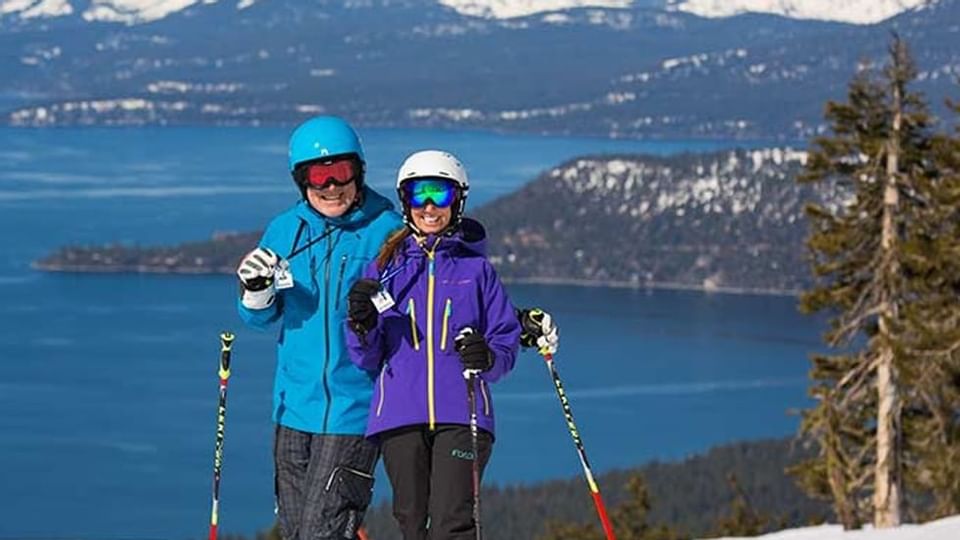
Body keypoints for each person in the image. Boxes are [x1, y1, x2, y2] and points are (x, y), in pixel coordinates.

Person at [344, 150, 531, 540]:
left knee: (452, 522)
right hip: (399, 414)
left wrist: (487, 355)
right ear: (405, 201)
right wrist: (362, 322)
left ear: (458, 201)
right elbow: (366, 356)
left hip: (463, 414)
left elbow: (505, 340)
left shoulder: (475, 270)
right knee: (412, 521)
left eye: (441, 195)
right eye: (418, 195)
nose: (429, 207)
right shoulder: (384, 267)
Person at [236, 115, 403, 540]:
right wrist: (255, 292)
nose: (331, 187)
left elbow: (408, 314)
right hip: (293, 407)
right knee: (296, 532)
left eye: (341, 173)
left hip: (355, 408)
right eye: (318, 176)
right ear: (301, 180)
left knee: (322, 532)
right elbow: (261, 317)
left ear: (359, 171)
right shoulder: (285, 230)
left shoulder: (387, 232)